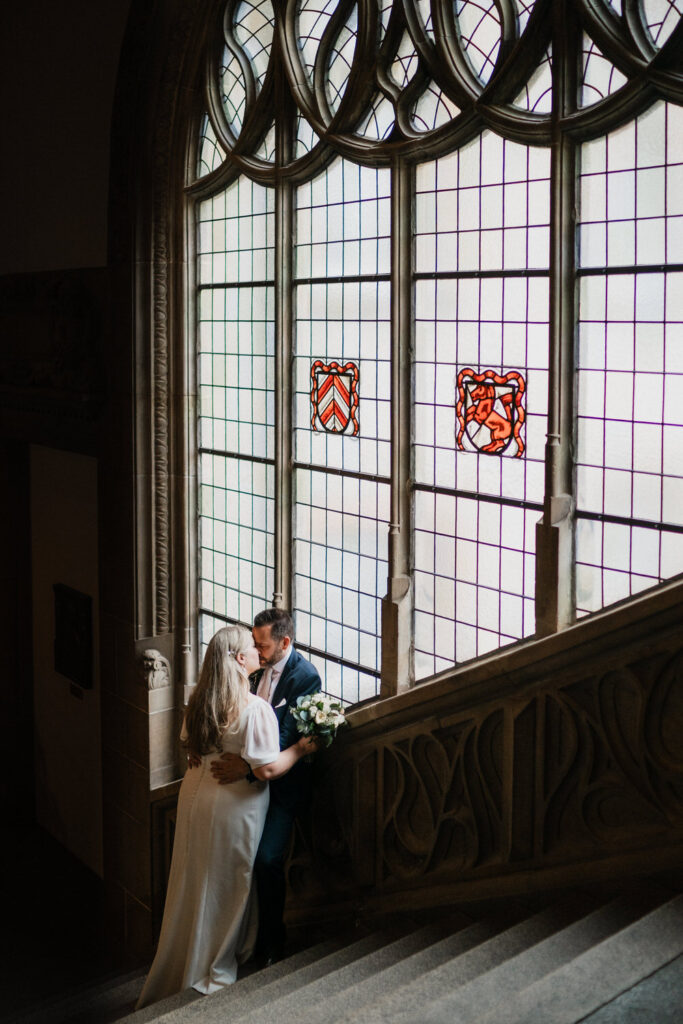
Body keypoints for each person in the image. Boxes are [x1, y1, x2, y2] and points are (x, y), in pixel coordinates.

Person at [136, 624, 315, 1009]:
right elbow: (266, 769)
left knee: (194, 876)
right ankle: (213, 962)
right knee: (229, 881)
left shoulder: (200, 699)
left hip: (196, 797)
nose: (257, 652)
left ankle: (184, 957)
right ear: (239, 660)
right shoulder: (254, 709)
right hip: (235, 804)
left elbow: (190, 743)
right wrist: (301, 748)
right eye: (252, 648)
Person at [210, 608, 321, 966]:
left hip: (281, 786)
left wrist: (246, 767)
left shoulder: (304, 678)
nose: (256, 651)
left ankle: (272, 941)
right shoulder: (252, 668)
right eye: (254, 643)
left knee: (267, 859)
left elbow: (286, 735)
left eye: (263, 644)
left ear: (284, 642)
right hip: (247, 787)